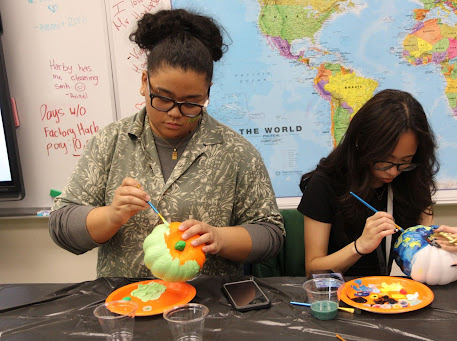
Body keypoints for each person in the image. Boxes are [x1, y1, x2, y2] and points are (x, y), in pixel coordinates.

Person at [49, 9, 284, 278]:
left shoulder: (235, 151)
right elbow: (61, 226)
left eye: (191, 103)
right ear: (143, 83)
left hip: (207, 305)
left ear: (207, 94)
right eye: (163, 98)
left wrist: (220, 238)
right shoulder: (110, 143)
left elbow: (271, 234)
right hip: (129, 305)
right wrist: (112, 216)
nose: (174, 113)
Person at [298, 89, 457, 277]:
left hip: (385, 295)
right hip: (338, 297)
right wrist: (359, 247)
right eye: (385, 160)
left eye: (405, 161)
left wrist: (455, 247)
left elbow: (424, 256)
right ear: (361, 142)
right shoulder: (325, 183)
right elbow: (313, 269)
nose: (393, 171)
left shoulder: (413, 179)